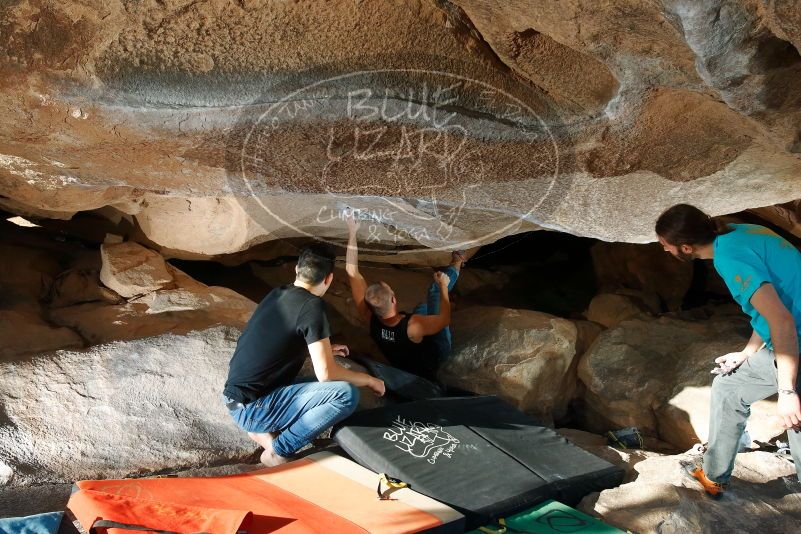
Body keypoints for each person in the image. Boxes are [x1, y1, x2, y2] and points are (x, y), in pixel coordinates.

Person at [655, 204, 801, 495]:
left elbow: (782, 321)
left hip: (795, 337)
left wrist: (786, 392)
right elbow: (778, 303)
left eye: (665, 246)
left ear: (685, 247)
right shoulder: (741, 231)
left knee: (735, 390)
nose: (664, 251)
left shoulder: (729, 258)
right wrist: (747, 353)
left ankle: (713, 477)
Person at [222, 243, 385, 466]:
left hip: (237, 398)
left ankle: (262, 432)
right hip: (253, 408)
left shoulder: (278, 293)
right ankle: (278, 450)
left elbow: (275, 343)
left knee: (326, 384)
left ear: (297, 270)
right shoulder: (312, 306)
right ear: (328, 279)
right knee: (345, 394)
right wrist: (369, 379)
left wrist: (321, 349)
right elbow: (326, 374)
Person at [345, 215, 469, 379]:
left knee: (420, 308)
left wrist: (352, 231)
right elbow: (444, 320)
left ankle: (436, 300)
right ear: (394, 300)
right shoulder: (413, 325)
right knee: (435, 292)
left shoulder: (369, 318)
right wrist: (444, 287)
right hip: (434, 358)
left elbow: (352, 272)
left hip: (404, 360)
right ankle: (459, 260)